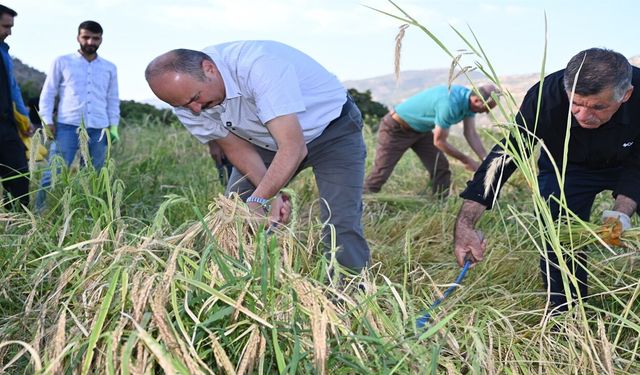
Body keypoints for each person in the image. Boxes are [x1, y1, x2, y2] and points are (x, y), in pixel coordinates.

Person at [145, 41, 370, 272]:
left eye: (195, 98)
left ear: (209, 69)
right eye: (182, 105)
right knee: (235, 212)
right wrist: (269, 197)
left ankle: (348, 291)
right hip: (262, 142)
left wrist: (259, 199)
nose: (194, 110)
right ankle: (242, 279)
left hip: (333, 132)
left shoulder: (258, 66)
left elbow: (293, 147)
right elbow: (235, 148)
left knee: (340, 219)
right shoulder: (185, 101)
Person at [454, 48, 640, 313]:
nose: (585, 116)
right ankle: (567, 312)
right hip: (566, 167)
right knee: (557, 235)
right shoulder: (545, 96)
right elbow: (507, 154)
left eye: (599, 107)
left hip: (629, 160)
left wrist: (621, 212)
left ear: (626, 95)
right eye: (576, 103)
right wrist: (466, 222)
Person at [36, 20, 120, 209]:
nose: (90, 42)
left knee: (95, 174)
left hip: (99, 127)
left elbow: (113, 99)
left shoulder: (109, 67)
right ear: (78, 37)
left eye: (95, 38)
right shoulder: (62, 62)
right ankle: (39, 212)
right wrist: (47, 120)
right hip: (68, 125)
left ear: (101, 39)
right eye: (86, 37)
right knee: (54, 171)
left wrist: (113, 127)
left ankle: (90, 212)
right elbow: (48, 93)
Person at [363, 84, 499, 196]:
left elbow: (470, 133)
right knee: (381, 173)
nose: (485, 113)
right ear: (476, 100)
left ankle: (439, 203)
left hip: (421, 131)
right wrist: (466, 160)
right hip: (396, 129)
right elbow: (439, 141)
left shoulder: (470, 103)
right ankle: (362, 200)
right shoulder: (450, 104)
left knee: (440, 167)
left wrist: (486, 161)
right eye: (485, 109)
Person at [0, 4, 29, 210]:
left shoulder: (4, 53)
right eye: (5, 26)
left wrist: (24, 119)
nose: (9, 32)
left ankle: (17, 223)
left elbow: (13, 89)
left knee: (18, 175)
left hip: (6, 125)